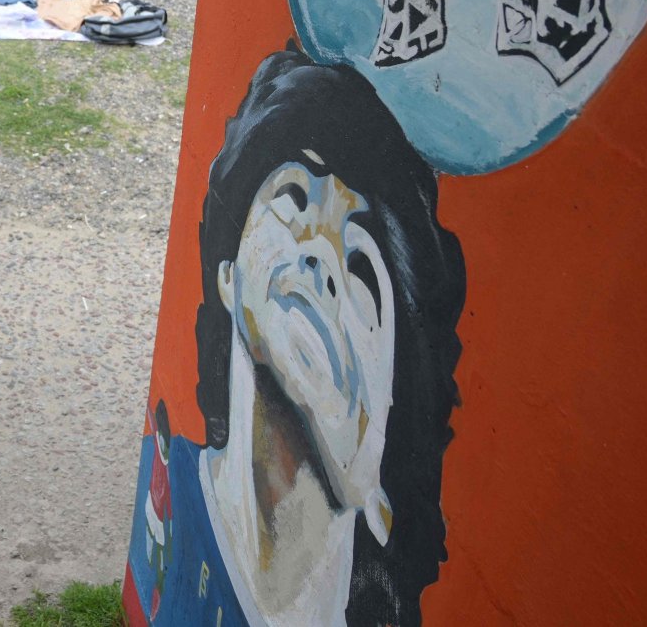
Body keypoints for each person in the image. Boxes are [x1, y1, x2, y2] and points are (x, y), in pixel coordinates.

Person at [132, 49, 465, 627]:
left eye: (362, 269)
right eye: (293, 198)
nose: (320, 250)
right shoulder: (165, 499)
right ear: (228, 274)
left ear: (392, 423)